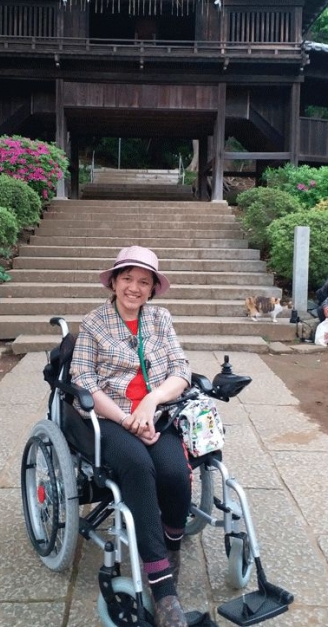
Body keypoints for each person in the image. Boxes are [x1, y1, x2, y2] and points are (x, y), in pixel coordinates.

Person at [70, 246, 192, 627]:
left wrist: (152, 401)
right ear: (114, 282)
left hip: (155, 413)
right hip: (108, 416)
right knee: (139, 468)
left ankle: (171, 546)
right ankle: (162, 589)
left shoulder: (160, 319)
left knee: (174, 471)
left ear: (153, 288)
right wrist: (126, 418)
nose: (134, 288)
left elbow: (181, 370)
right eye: (127, 279)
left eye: (144, 281)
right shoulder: (94, 322)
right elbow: (83, 381)